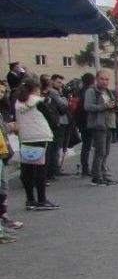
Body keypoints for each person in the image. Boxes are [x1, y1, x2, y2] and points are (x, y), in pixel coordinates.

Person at [11, 80, 59, 210]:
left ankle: (30, 199)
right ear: (36, 89)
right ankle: (42, 199)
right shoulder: (39, 102)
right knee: (41, 170)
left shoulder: (18, 103)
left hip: (25, 138)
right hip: (41, 137)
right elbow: (50, 119)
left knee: (27, 169)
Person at [84, 69, 118, 185]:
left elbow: (110, 106)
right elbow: (88, 106)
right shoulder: (91, 91)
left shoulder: (108, 92)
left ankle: (104, 173)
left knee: (106, 152)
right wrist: (104, 106)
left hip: (109, 124)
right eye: (102, 79)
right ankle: (96, 177)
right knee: (100, 152)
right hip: (98, 125)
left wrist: (114, 106)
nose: (104, 82)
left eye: (107, 79)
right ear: (96, 79)